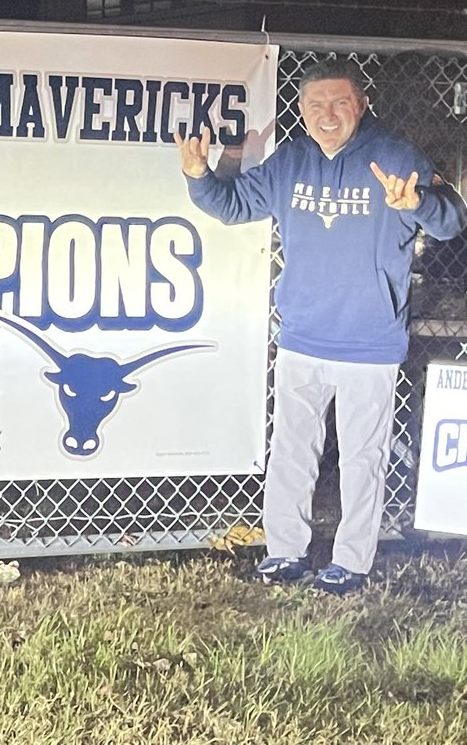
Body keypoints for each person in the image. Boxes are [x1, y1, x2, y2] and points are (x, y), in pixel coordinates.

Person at [176, 58, 467, 595]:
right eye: (315, 105)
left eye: (339, 103)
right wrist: (198, 177)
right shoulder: (290, 162)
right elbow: (235, 204)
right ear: (302, 111)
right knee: (290, 450)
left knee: (363, 457)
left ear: (361, 105)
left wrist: (418, 201)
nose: (327, 115)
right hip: (303, 336)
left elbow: (451, 222)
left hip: (370, 341)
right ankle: (285, 552)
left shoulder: (397, 158)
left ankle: (351, 563)